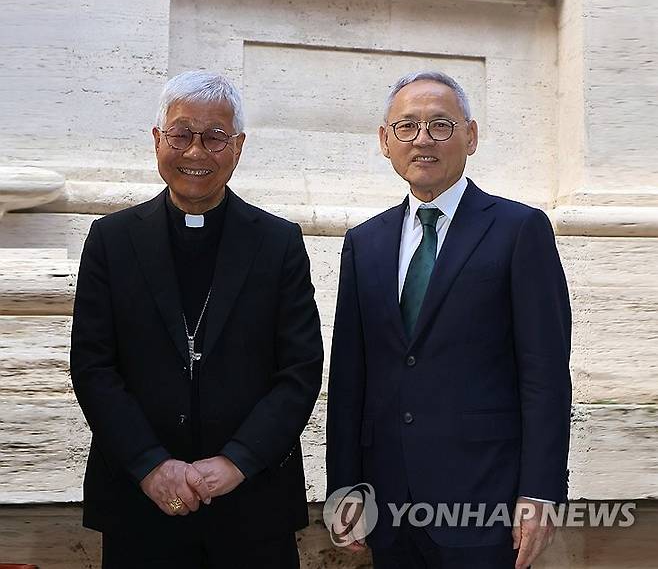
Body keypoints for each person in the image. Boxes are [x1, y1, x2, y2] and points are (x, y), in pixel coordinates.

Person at [70, 70, 323, 569]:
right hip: (140, 503)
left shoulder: (279, 244)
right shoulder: (111, 240)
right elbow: (93, 367)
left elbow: (299, 372)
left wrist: (236, 462)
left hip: (252, 504)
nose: (196, 152)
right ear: (157, 140)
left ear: (239, 146)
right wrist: (150, 465)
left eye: (215, 137)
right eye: (182, 134)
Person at [326, 71, 572, 568]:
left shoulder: (519, 230)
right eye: (407, 127)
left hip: (486, 502)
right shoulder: (365, 243)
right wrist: (343, 487)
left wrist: (541, 493)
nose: (423, 140)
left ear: (471, 136)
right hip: (389, 502)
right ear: (384, 141)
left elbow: (545, 375)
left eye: (441, 125)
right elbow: (350, 379)